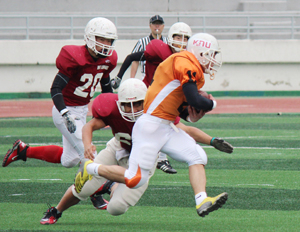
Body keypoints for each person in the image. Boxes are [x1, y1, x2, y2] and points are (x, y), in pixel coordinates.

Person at [75, 33, 230, 218]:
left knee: (197, 156)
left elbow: (179, 108)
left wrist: (192, 117)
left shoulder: (185, 66)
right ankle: (90, 168)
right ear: (201, 52)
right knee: (135, 179)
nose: (213, 60)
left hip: (165, 125)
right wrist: (212, 104)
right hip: (150, 126)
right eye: (211, 54)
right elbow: (193, 98)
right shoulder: (185, 62)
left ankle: (201, 200)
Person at [40, 78, 232, 224]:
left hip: (144, 162)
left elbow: (186, 130)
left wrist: (212, 140)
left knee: (115, 209)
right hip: (118, 148)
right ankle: (56, 210)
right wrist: (88, 144)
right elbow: (88, 126)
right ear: (118, 103)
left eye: (137, 103)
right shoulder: (113, 110)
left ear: (146, 101)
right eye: (126, 104)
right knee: (83, 187)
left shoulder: (157, 115)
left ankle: (110, 186)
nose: (132, 110)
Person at [2, 17, 118, 209]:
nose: (105, 45)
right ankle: (97, 192)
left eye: (108, 40)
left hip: (81, 110)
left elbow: (106, 89)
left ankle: (23, 150)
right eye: (101, 39)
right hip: (64, 110)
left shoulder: (109, 60)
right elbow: (56, 89)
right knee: (88, 152)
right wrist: (64, 113)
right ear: (90, 37)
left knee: (69, 160)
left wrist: (111, 112)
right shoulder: (74, 56)